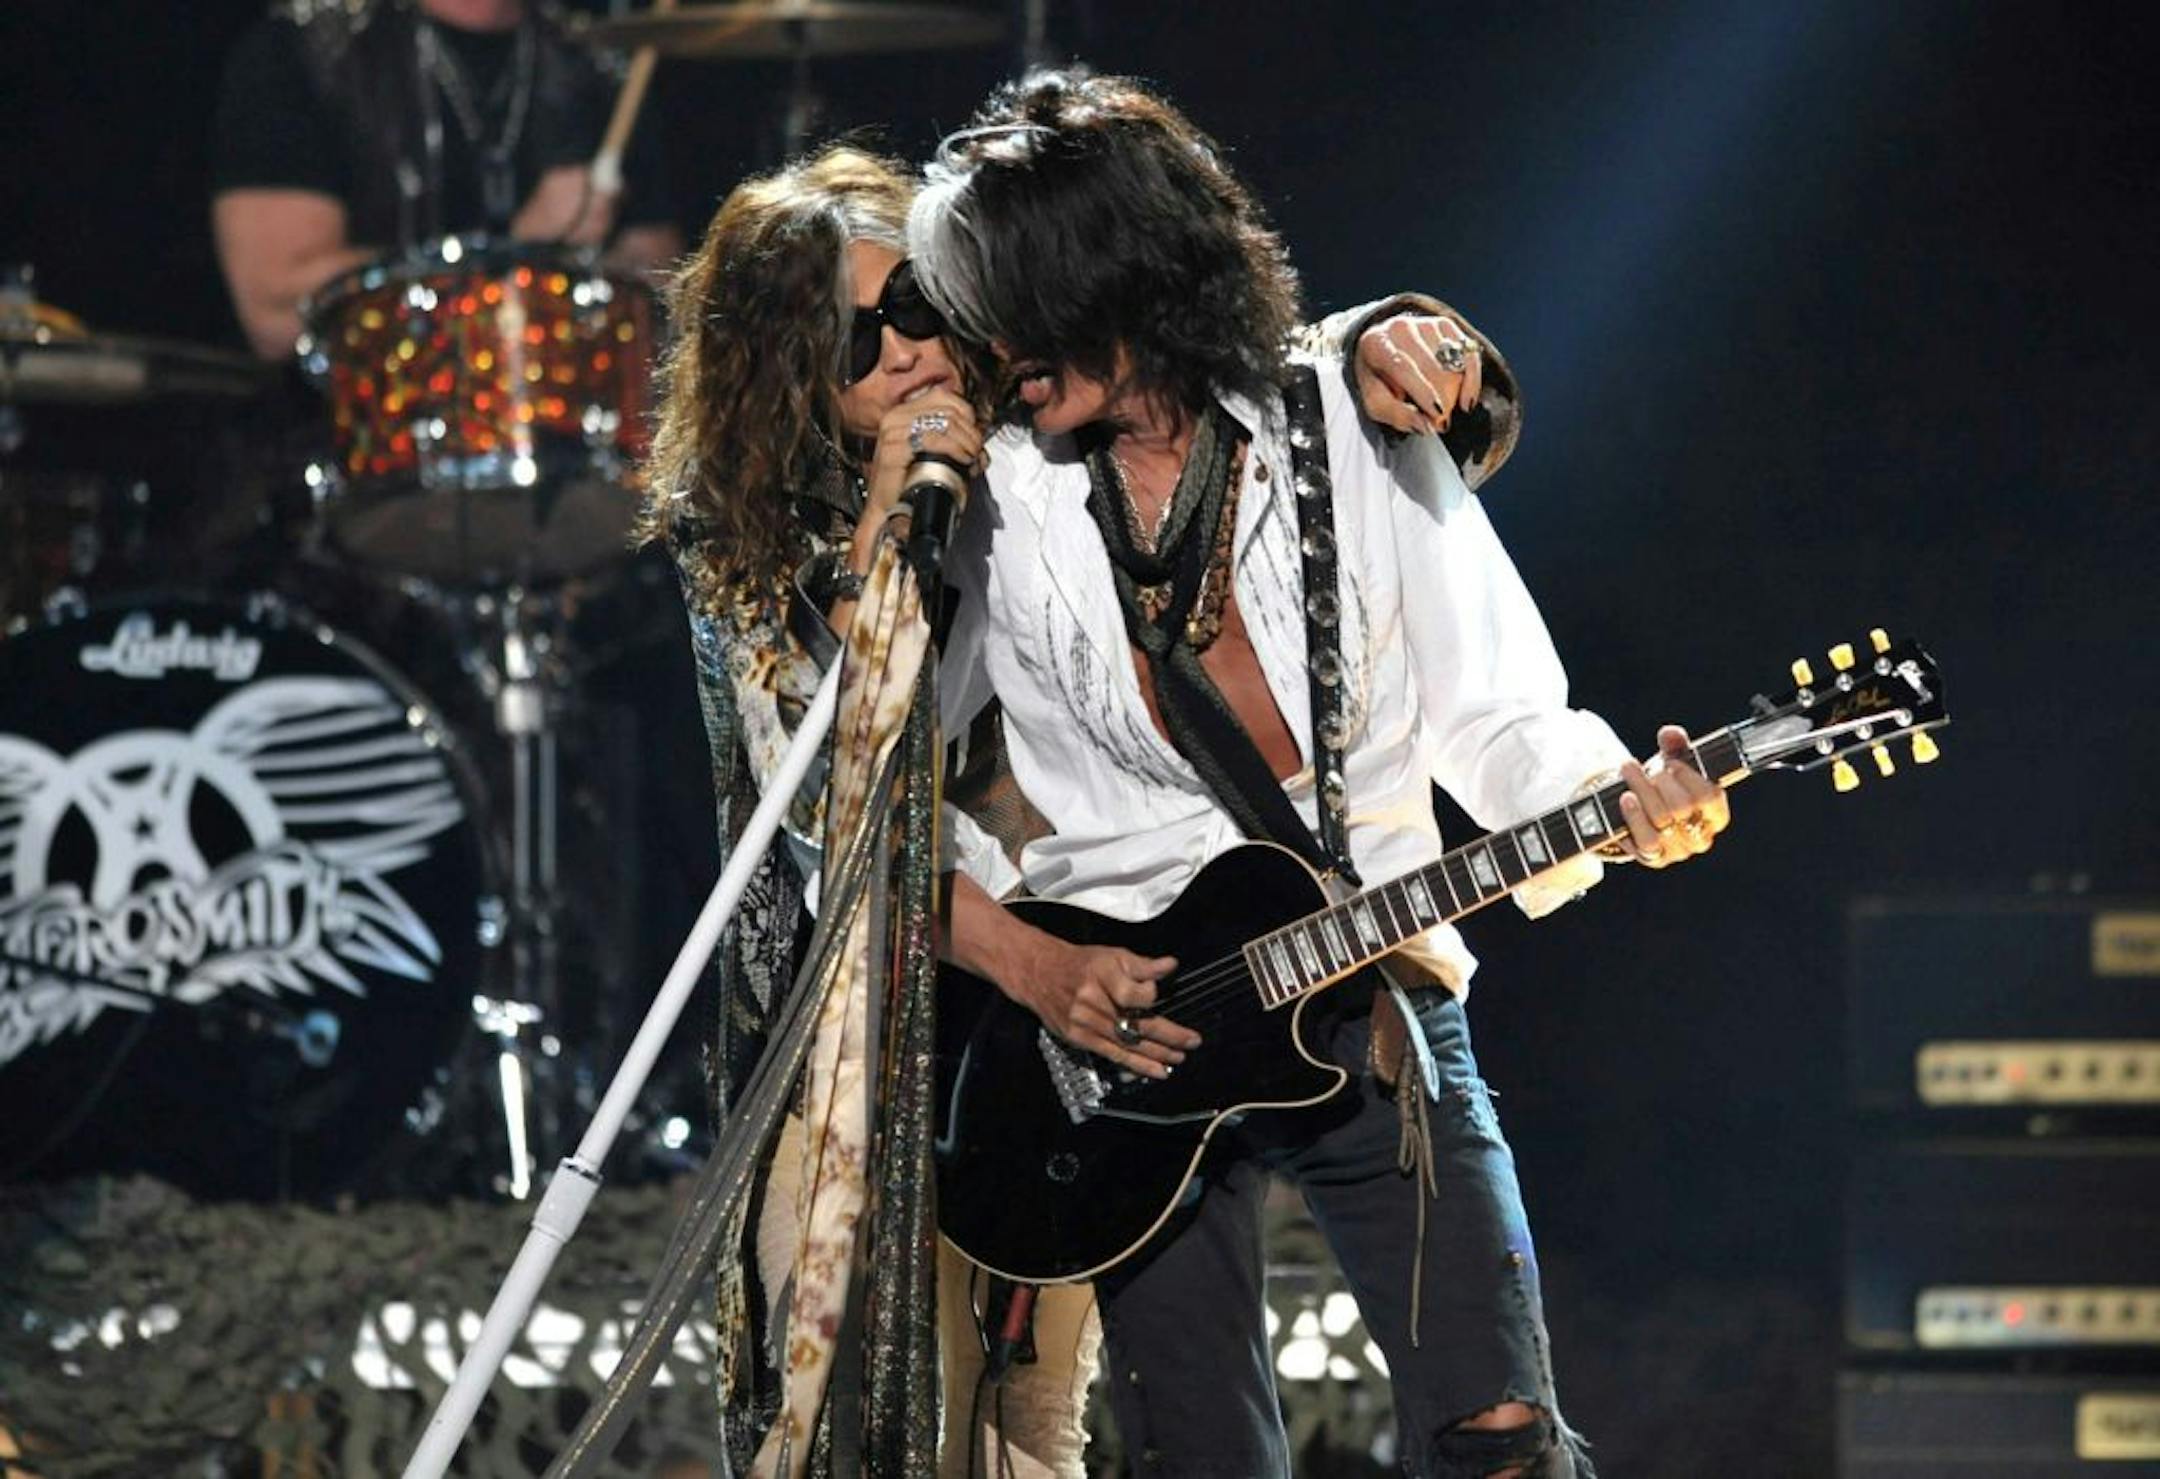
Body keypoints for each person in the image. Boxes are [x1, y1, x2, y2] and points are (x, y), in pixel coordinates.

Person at [642, 144, 1524, 1477]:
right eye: (848, 337)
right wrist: (891, 536)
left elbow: (1241, 384)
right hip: (865, 1038)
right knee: (834, 1428)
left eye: (916, 307)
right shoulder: (754, 553)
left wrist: (1399, 343)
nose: (898, 351)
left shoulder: (1034, 449)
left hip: (1061, 1027)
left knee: (1028, 1423)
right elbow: (842, 819)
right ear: (784, 379)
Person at [908, 70, 1731, 1477]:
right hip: (1120, 1037)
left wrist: (1626, 797)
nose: (996, 347)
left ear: (1112, 272)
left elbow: (1498, 716)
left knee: (1504, 1434)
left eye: (1015, 300)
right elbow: (871, 785)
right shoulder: (997, 489)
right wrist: (1036, 965)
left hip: (1372, 984)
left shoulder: (1348, 421)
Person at [209, 0, 681, 360]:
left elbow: (660, 293)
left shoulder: (592, 61)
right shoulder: (306, 52)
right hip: (370, 451)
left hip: (571, 439)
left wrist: (603, 279)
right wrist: (515, 250)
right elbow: (273, 309)